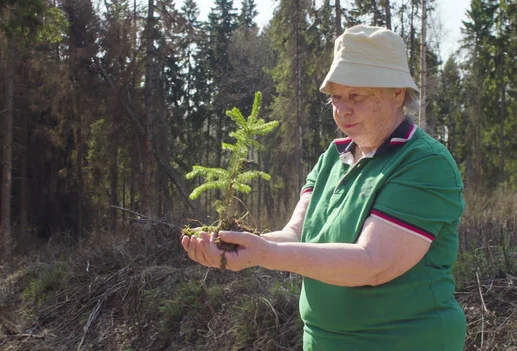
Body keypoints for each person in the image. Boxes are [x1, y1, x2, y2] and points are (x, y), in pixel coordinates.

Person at [181, 25, 466, 351]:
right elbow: (294, 236)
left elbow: (372, 262)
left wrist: (266, 253)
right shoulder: (333, 157)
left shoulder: (424, 163)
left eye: (357, 95)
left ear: (397, 92)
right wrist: (239, 248)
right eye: (336, 96)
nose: (342, 109)